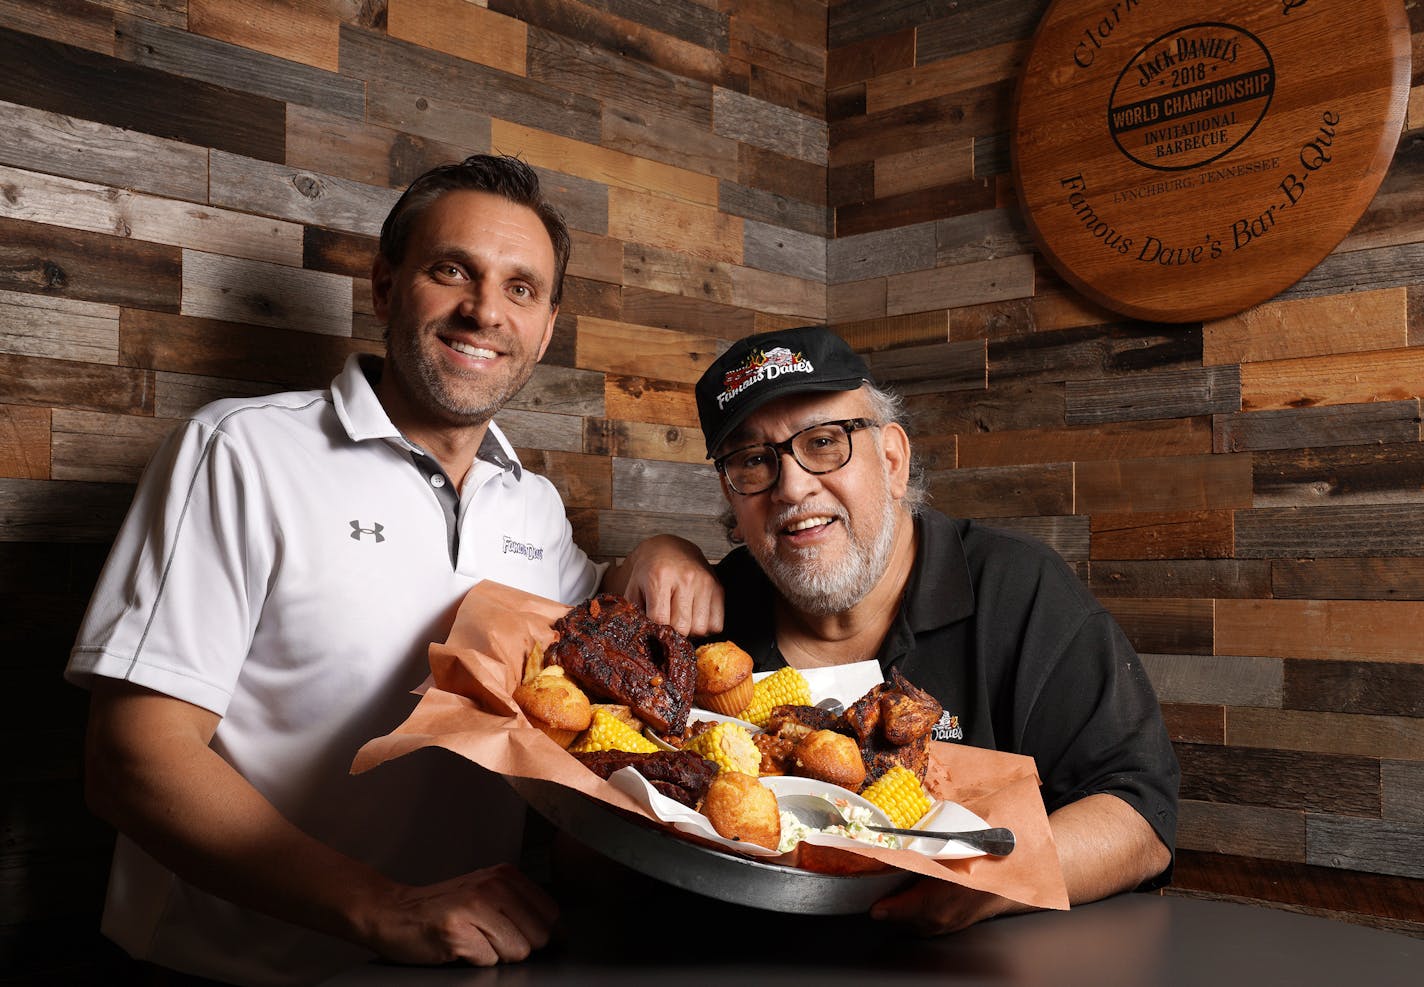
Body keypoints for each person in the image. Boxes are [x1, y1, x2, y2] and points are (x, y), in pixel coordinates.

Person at [66, 154, 721, 987]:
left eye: (521, 288)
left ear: (547, 328)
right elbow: (132, 760)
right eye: (453, 271)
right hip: (226, 970)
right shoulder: (241, 452)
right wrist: (383, 906)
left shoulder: (534, 509)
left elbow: (608, 618)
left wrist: (670, 548)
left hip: (457, 968)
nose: (485, 311)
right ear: (384, 288)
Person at [692, 324, 1178, 935]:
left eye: (823, 442)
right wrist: (645, 560)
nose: (792, 486)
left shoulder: (1018, 589)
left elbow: (1139, 820)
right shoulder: (708, 617)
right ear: (731, 498)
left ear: (892, 459)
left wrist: (989, 884)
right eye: (754, 461)